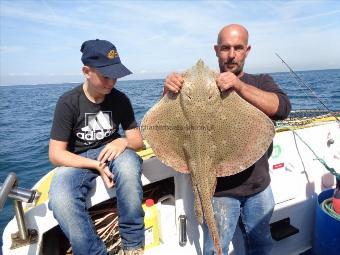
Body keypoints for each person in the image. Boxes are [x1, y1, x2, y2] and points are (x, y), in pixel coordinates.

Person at [164, 24, 291, 255]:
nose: (231, 54)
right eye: (225, 48)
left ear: (247, 50)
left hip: (258, 187)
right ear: (216, 50)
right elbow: (168, 123)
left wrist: (239, 86)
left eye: (238, 48)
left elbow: (282, 108)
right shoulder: (198, 87)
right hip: (219, 192)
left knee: (261, 246)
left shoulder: (260, 81)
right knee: (215, 248)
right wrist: (170, 91)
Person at [48, 39, 145, 255]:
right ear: (86, 71)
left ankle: (133, 244)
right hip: (78, 160)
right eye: (106, 76)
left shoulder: (120, 100)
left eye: (115, 76)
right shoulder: (68, 102)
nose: (112, 82)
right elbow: (56, 155)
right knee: (61, 198)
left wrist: (123, 141)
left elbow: (138, 142)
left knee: (129, 168)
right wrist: (95, 165)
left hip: (113, 151)